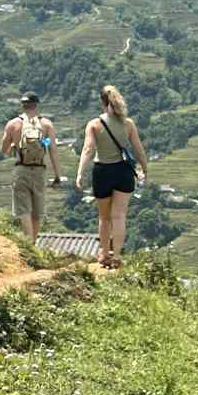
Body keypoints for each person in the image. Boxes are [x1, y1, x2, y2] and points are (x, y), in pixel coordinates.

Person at [77, 83, 150, 268]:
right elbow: (139, 149)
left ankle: (104, 255)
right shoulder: (128, 124)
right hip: (123, 172)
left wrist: (80, 173)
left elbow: (88, 149)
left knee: (104, 217)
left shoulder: (94, 124)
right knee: (119, 216)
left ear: (102, 102)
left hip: (102, 171)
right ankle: (117, 256)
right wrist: (144, 169)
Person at [0, 91, 62, 241]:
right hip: (40, 170)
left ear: (22, 105)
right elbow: (52, 150)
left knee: (23, 209)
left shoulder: (14, 124)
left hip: (21, 169)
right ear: (36, 105)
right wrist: (57, 175)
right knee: (37, 210)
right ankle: (34, 241)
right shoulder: (46, 125)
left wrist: (15, 145)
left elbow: (3, 149)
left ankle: (29, 243)